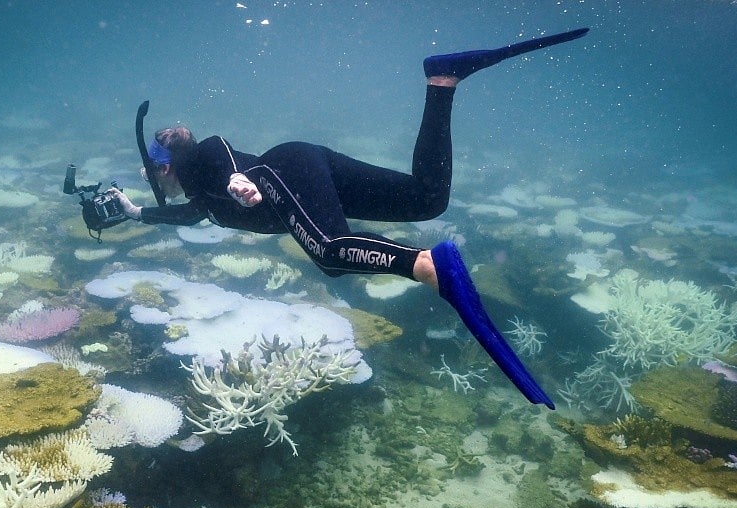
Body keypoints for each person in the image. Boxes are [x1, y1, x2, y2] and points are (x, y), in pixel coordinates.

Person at [110, 28, 590, 409]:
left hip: (282, 170)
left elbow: (223, 152)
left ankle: (427, 265)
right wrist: (137, 213)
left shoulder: (206, 163)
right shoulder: (199, 196)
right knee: (425, 201)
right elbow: (190, 215)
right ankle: (442, 81)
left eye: (148, 172)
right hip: (302, 164)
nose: (147, 178)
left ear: (165, 166)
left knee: (330, 253)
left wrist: (243, 181)